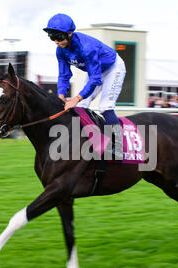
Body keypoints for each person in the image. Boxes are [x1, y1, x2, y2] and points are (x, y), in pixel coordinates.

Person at [43, 13, 126, 159]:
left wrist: (76, 98)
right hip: (95, 70)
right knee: (81, 108)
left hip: (113, 68)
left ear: (69, 34)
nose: (56, 41)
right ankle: (88, 143)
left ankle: (118, 147)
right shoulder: (60, 50)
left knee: (105, 106)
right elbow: (64, 75)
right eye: (52, 37)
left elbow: (95, 79)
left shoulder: (87, 47)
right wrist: (61, 96)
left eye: (59, 37)